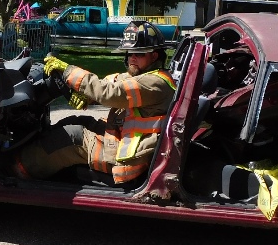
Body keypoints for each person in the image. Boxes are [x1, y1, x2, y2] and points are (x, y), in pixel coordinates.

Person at [13, 21, 177, 186]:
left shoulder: (155, 83)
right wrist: (88, 97)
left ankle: (16, 173)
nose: (132, 58)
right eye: (129, 53)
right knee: (73, 121)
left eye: (139, 54)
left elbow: (111, 93)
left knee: (70, 136)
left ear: (154, 56)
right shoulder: (145, 76)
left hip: (127, 159)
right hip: (124, 141)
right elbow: (111, 83)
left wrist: (67, 71)